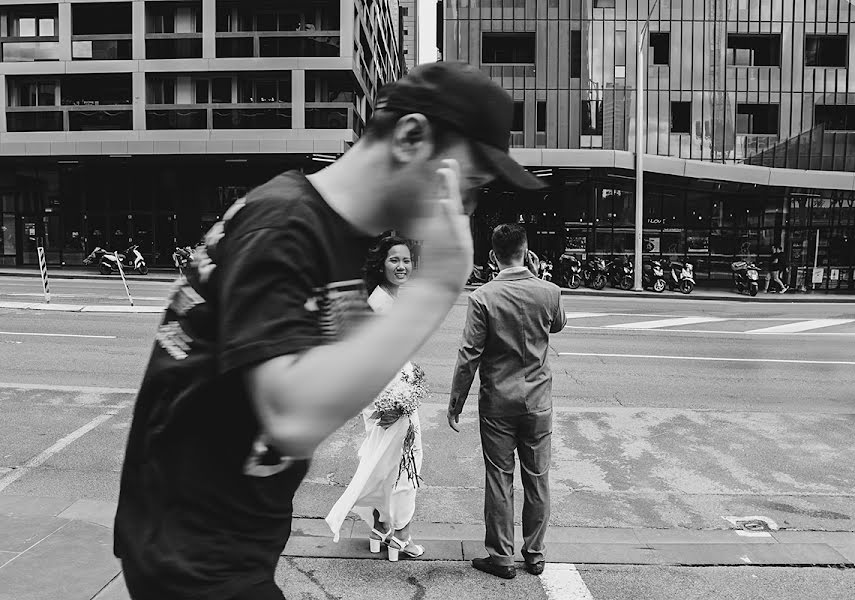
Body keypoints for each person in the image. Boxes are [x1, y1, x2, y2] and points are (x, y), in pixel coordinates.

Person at [113, 61, 544, 600]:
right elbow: (292, 416)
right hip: (194, 552)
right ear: (411, 136)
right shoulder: (285, 225)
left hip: (229, 539)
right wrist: (437, 286)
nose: (469, 209)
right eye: (470, 185)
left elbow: (341, 380)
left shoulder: (333, 237)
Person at [447, 223, 566, 580]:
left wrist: (455, 404)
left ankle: (501, 557)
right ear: (527, 251)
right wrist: (539, 274)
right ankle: (535, 554)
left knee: (499, 479)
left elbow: (469, 354)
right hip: (538, 403)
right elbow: (557, 325)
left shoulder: (483, 297)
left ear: (492, 256)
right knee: (538, 478)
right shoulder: (550, 291)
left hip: (498, 402)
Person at [325, 235, 426, 561]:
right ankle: (401, 537)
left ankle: (380, 529)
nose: (402, 266)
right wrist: (395, 403)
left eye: (406, 260)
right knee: (405, 467)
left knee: (383, 464)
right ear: (381, 264)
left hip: (393, 395)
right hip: (392, 400)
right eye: (395, 260)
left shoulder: (388, 299)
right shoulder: (380, 304)